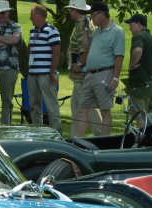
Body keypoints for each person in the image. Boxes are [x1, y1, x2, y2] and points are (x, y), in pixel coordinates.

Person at [77, 2, 124, 136]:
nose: (91, 18)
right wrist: (86, 29)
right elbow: (86, 47)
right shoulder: (97, 31)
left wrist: (115, 78)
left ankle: (104, 142)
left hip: (105, 74)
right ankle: (78, 140)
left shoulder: (117, 31)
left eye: (93, 15)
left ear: (102, 14)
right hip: (90, 75)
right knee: (82, 109)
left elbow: (119, 56)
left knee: (105, 110)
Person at [65, 0, 101, 137]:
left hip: (82, 76)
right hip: (80, 77)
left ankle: (102, 136)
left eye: (70, 10)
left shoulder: (83, 26)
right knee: (76, 107)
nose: (69, 12)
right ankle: (76, 138)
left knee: (88, 108)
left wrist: (79, 65)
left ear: (75, 10)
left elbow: (86, 49)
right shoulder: (86, 23)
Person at [27, 3, 60, 131]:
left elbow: (56, 52)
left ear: (40, 15)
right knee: (34, 105)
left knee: (51, 104)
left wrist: (52, 73)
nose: (30, 18)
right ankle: (38, 131)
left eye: (32, 15)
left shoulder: (52, 31)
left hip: (46, 74)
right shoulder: (33, 31)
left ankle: (57, 131)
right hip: (33, 73)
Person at [124, 13, 152, 123]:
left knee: (138, 115)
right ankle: (150, 139)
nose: (129, 28)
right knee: (151, 117)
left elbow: (138, 50)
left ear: (138, 24)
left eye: (130, 24)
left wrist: (132, 65)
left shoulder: (138, 36)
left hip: (138, 84)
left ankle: (140, 139)